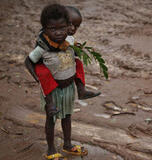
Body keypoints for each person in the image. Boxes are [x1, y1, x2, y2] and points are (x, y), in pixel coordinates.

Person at [25, 4, 88, 160]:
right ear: (45, 29)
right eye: (53, 29)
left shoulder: (70, 40)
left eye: (62, 28)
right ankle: (51, 150)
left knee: (67, 117)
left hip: (68, 89)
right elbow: (28, 62)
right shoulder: (43, 47)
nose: (58, 33)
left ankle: (67, 145)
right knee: (51, 119)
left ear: (68, 26)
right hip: (52, 92)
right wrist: (39, 79)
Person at [33, 5, 100, 114]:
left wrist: (77, 49)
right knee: (44, 74)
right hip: (48, 67)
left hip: (63, 68)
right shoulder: (47, 36)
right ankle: (49, 104)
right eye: (70, 24)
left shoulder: (68, 37)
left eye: (76, 26)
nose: (73, 28)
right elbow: (38, 54)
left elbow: (71, 49)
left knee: (78, 63)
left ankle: (81, 90)